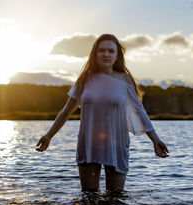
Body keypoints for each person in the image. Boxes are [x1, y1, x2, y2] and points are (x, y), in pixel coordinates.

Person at [35, 33, 169, 192]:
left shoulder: (125, 81)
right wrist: (49, 136)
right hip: (88, 143)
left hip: (117, 145)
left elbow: (140, 112)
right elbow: (65, 111)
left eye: (111, 51)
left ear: (117, 55)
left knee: (116, 200)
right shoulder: (85, 79)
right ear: (95, 53)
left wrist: (155, 140)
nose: (106, 54)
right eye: (102, 50)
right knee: (89, 199)